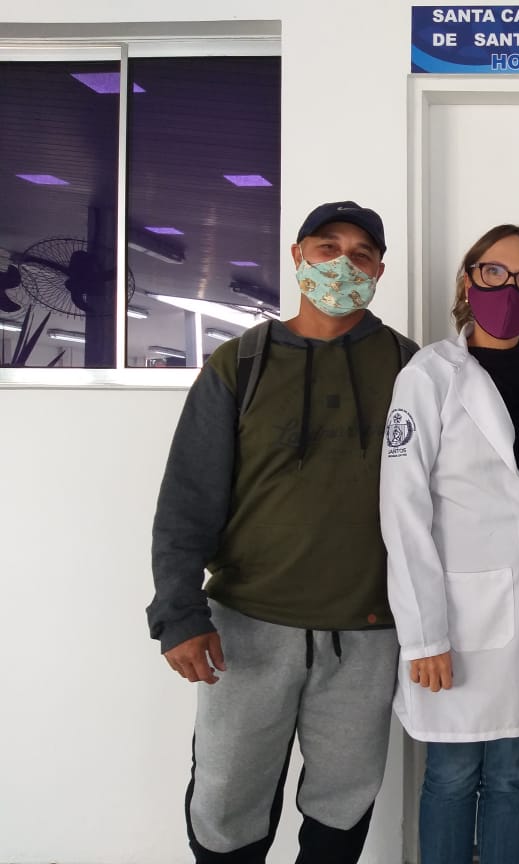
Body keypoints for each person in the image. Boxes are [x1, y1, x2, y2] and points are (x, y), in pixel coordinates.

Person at [147, 201, 419, 863]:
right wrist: (177, 613)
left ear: (379, 270)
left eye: (361, 254)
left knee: (342, 806)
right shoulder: (240, 364)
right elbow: (188, 496)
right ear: (298, 256)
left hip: (367, 633)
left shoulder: (411, 369)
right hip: (245, 629)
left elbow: (437, 502)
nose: (343, 264)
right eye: (327, 247)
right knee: (226, 807)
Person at [379, 224, 519, 864]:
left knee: (514, 774)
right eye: (494, 272)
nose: (509, 288)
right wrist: (424, 636)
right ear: (468, 280)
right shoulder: (428, 376)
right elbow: (402, 511)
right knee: (453, 775)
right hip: (456, 623)